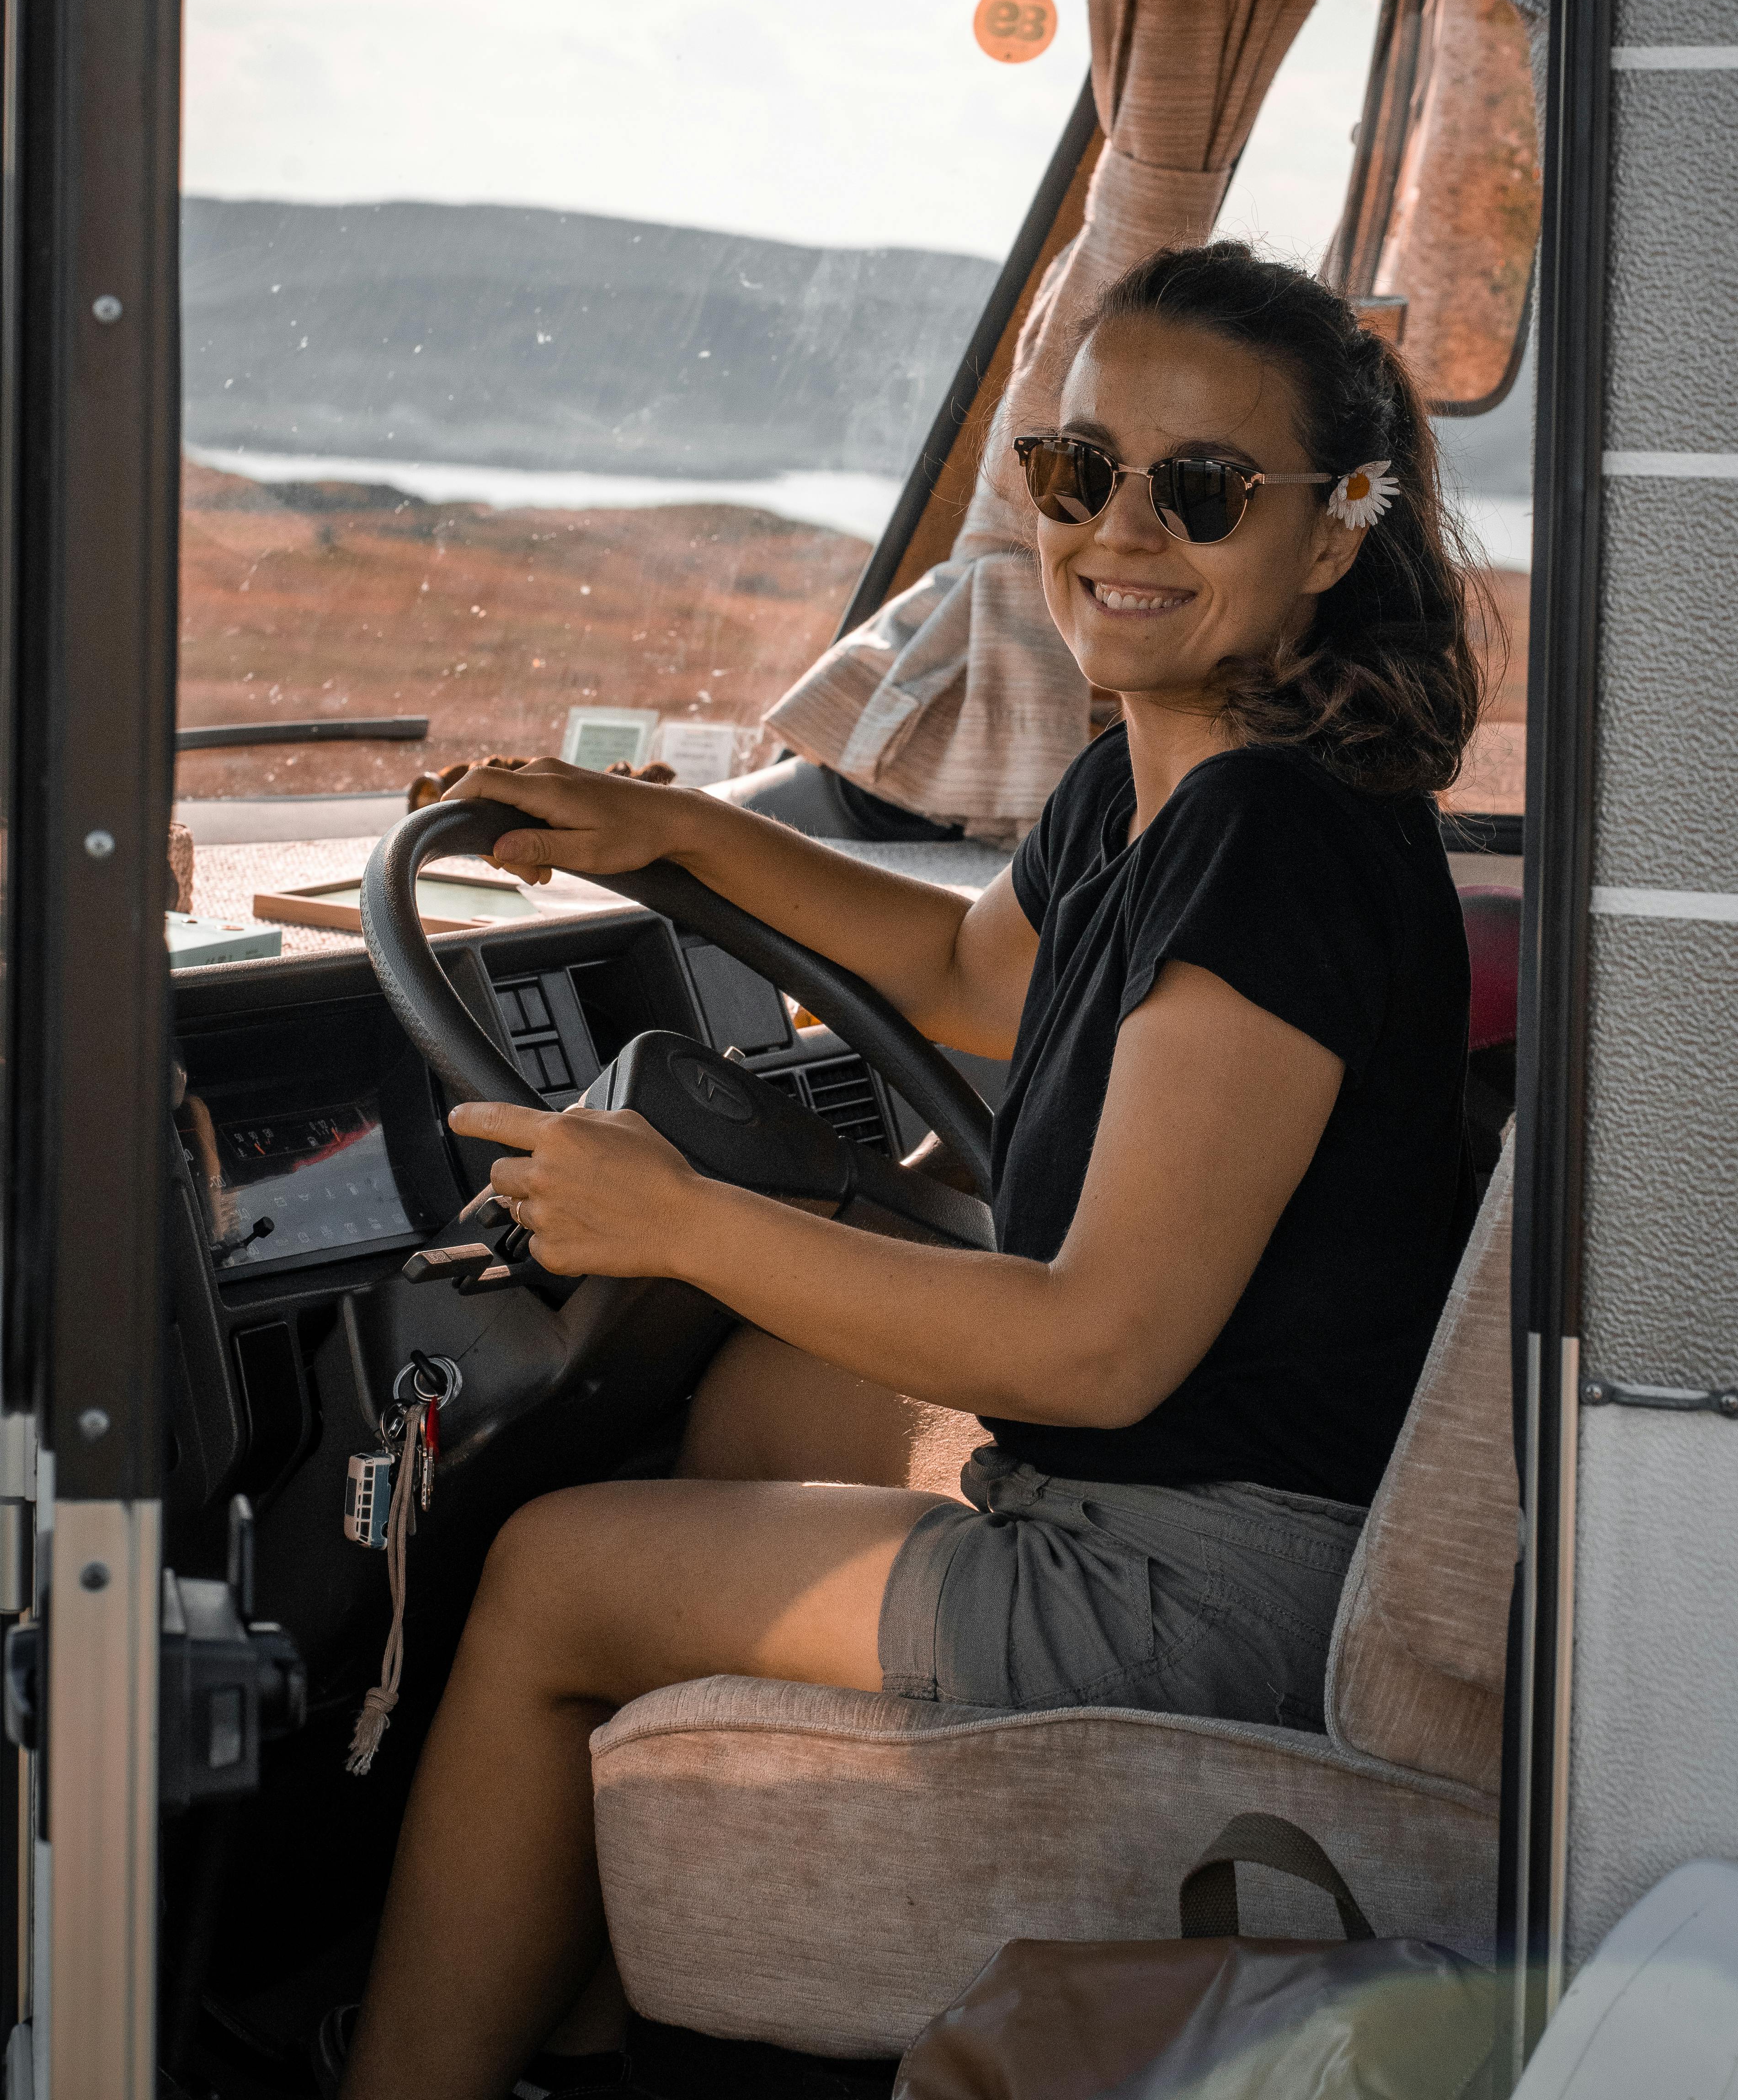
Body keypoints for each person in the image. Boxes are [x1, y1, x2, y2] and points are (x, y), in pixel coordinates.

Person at [333, 239, 1486, 2100]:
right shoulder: (1161, 773)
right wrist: (673, 831)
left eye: (1197, 493)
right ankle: (607, 2019)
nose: (1117, 529)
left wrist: (685, 1219)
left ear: (1333, 538)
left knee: (545, 1575)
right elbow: (968, 969)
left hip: (1213, 1581)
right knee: (769, 1392)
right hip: (1188, 1490)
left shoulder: (1271, 847)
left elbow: (1096, 1350)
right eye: (1073, 470)